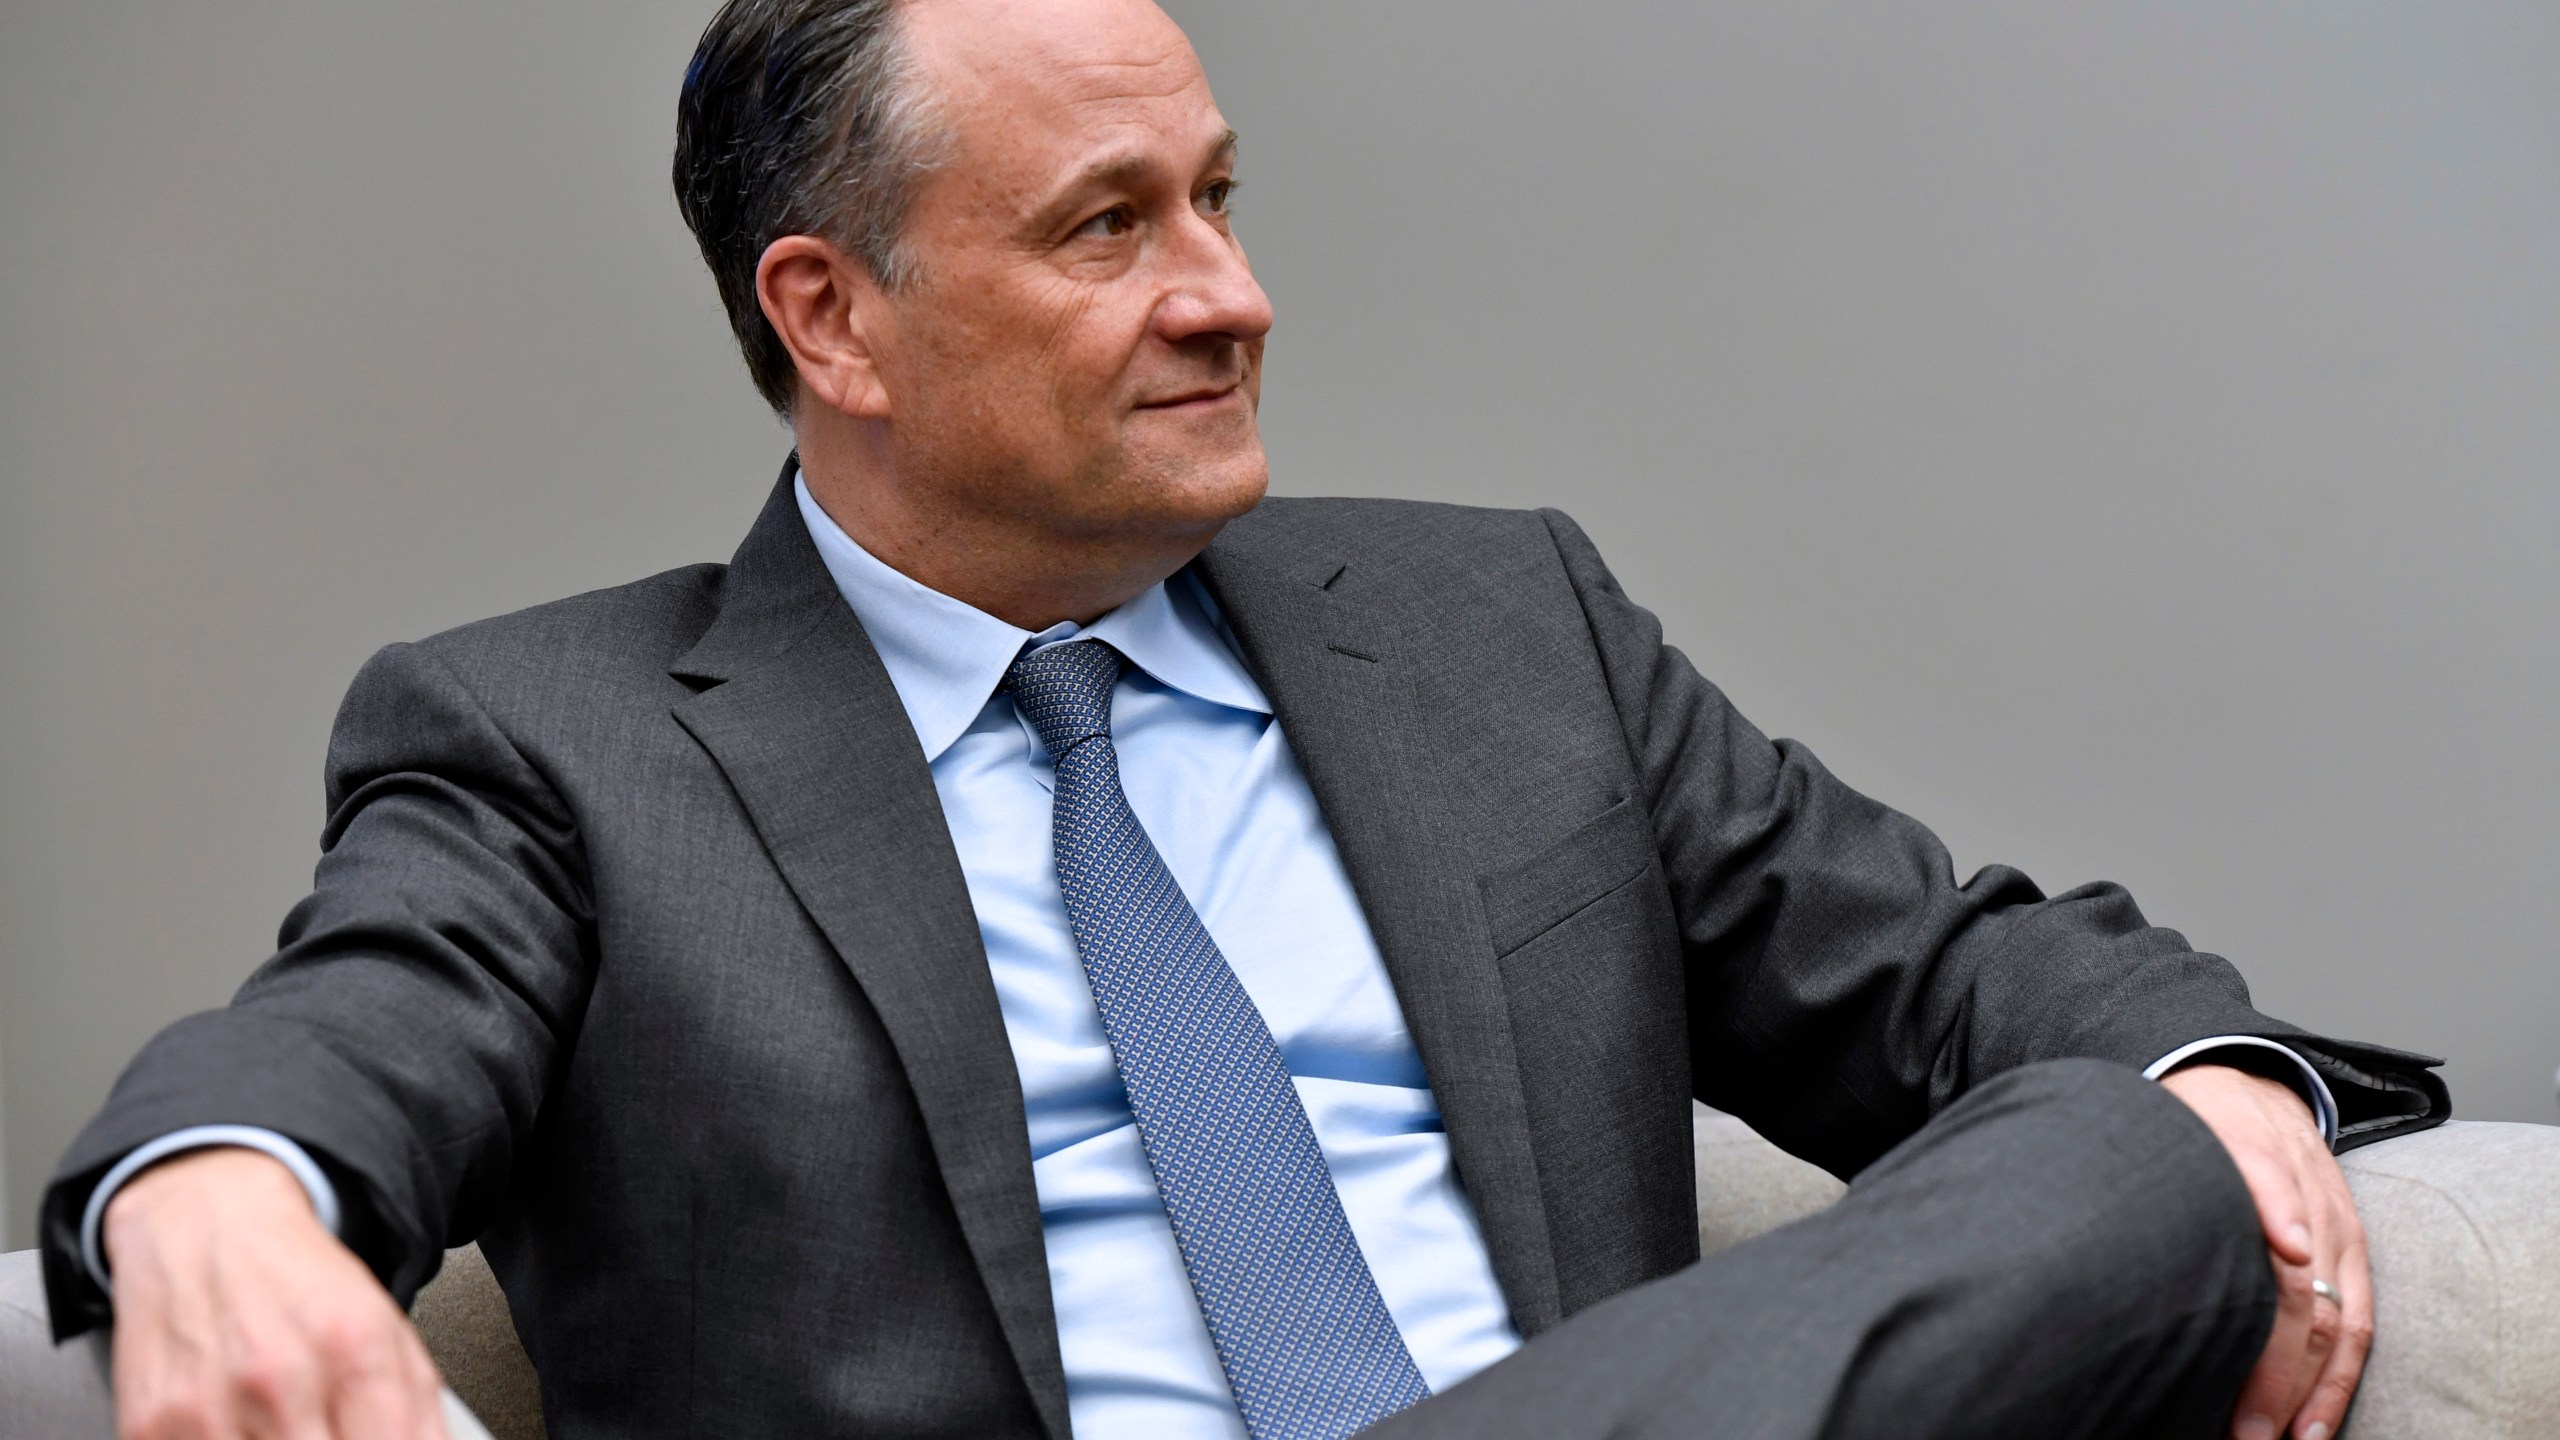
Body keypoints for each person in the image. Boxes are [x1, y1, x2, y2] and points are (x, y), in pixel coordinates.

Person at [41, 1, 2446, 1437]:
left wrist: (2198, 1078)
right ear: (833, 317)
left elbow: (1943, 977)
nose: (1234, 296)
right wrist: (220, 1189)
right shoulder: (555, 737)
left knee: (2132, 1149)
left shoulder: (1497, 623)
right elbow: (352, 1028)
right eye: (1110, 229)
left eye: (1217, 198)